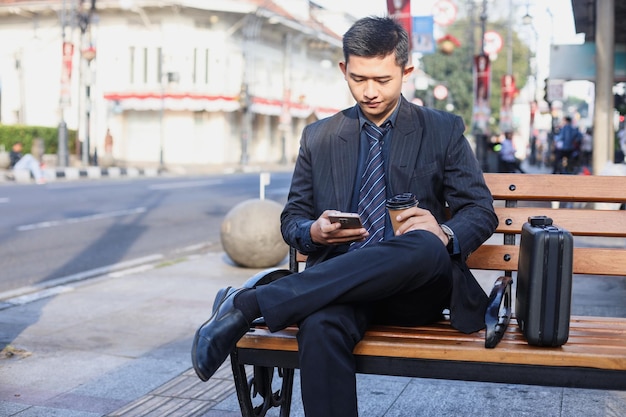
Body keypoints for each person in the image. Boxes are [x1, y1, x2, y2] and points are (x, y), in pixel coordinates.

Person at [191, 16, 497, 417]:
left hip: (416, 290)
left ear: (407, 71)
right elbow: (292, 219)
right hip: (341, 286)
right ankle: (257, 304)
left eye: (382, 80)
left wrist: (443, 232)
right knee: (319, 327)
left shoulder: (441, 129)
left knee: (423, 244)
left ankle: (249, 304)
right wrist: (314, 232)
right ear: (343, 70)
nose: (369, 92)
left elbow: (479, 210)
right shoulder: (319, 137)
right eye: (358, 79)